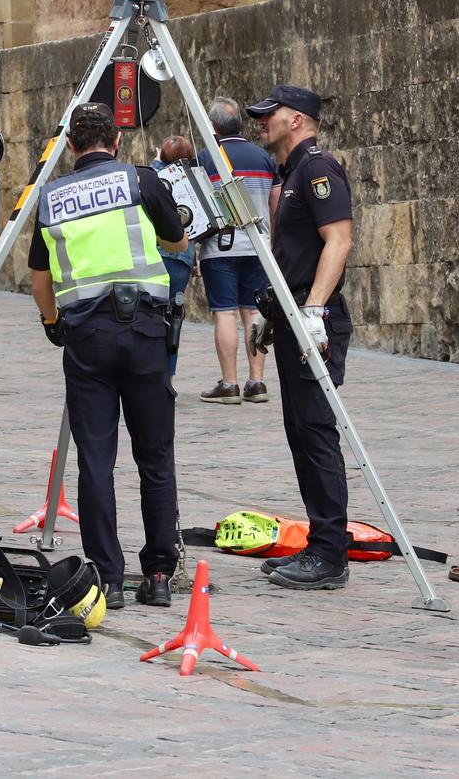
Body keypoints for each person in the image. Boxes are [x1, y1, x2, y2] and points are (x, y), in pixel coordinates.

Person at [29, 103, 189, 609]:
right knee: (155, 458)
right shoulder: (140, 181)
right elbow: (177, 240)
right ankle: (160, 574)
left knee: (96, 462)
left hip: (86, 339)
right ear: (115, 141)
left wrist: (52, 322)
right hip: (144, 332)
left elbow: (39, 278)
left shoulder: (51, 196)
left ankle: (108, 579)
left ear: (71, 145)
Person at [246, 83, 354, 591]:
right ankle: (319, 541)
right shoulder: (289, 174)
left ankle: (330, 553)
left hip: (315, 315)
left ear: (298, 119)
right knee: (299, 433)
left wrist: (313, 311)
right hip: (293, 313)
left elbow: (340, 239)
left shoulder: (317, 168)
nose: (262, 122)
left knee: (315, 431)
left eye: (271, 114)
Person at [195, 97, 277, 405]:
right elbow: (276, 203)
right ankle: (257, 381)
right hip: (258, 246)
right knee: (254, 312)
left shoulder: (207, 157)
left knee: (224, 313)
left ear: (212, 126)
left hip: (220, 247)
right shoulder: (263, 157)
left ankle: (229, 384)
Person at [149, 134, 198, 384]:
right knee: (174, 317)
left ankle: (153, 373)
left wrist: (157, 162)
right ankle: (168, 375)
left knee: (151, 316)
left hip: (157, 253)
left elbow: (148, 185)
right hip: (182, 257)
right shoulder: (194, 182)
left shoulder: (154, 177)